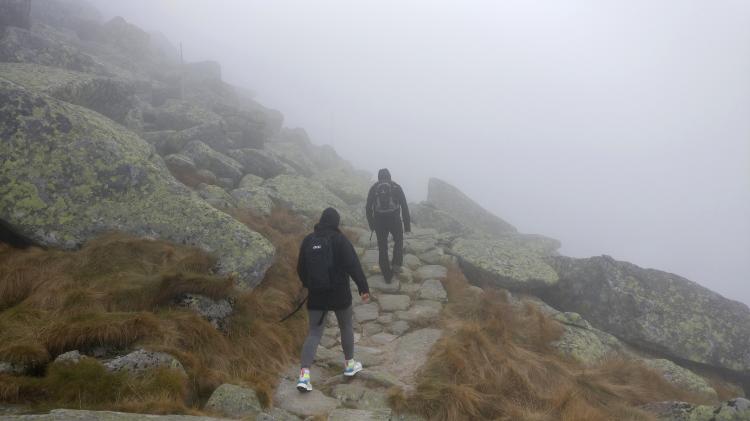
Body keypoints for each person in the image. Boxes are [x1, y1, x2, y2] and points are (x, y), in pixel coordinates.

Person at [296, 207, 370, 392]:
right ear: (336, 223)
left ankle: (304, 377)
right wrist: (363, 288)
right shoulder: (340, 240)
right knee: (345, 326)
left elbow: (301, 268)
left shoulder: (308, 240)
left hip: (317, 294)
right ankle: (350, 365)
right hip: (339, 294)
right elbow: (353, 265)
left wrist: (310, 284)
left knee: (314, 333)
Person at [365, 168, 411, 283]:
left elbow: (368, 208)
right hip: (394, 220)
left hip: (379, 221)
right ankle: (396, 266)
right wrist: (407, 227)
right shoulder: (396, 187)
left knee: (382, 247)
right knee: (398, 242)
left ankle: (386, 275)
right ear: (390, 176)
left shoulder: (374, 188)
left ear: (379, 177)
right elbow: (404, 207)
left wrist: (372, 225)